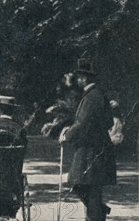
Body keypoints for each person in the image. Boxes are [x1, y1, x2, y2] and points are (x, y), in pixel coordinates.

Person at [59, 58, 116, 221]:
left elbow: (81, 124)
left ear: (84, 78)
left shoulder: (92, 97)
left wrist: (66, 136)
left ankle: (97, 214)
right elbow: (109, 122)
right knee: (89, 190)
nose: (77, 80)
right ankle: (99, 212)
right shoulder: (98, 94)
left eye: (78, 77)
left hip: (91, 151)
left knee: (83, 186)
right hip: (97, 149)